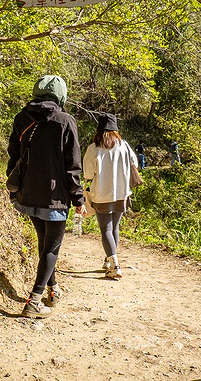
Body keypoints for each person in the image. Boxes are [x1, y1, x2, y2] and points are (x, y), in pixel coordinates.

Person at [7, 75, 85, 318]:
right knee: (51, 246)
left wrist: (17, 188)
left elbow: (12, 156)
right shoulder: (65, 121)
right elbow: (72, 165)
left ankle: (53, 289)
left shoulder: (21, 118)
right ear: (60, 95)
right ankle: (34, 301)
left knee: (45, 243)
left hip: (28, 194)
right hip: (55, 197)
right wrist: (78, 198)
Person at [83, 114, 136, 280]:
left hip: (102, 194)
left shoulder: (94, 148)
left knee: (106, 229)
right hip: (121, 193)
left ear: (99, 131)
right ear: (116, 130)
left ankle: (115, 266)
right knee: (114, 227)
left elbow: (87, 173)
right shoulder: (124, 145)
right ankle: (108, 260)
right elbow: (134, 162)